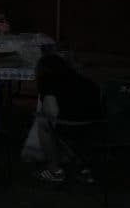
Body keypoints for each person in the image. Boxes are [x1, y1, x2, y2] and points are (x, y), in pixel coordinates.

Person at [25, 54, 103, 184]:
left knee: (44, 123)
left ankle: (54, 170)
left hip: (71, 127)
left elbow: (52, 112)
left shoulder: (48, 82)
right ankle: (82, 166)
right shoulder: (87, 82)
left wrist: (38, 114)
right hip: (95, 127)